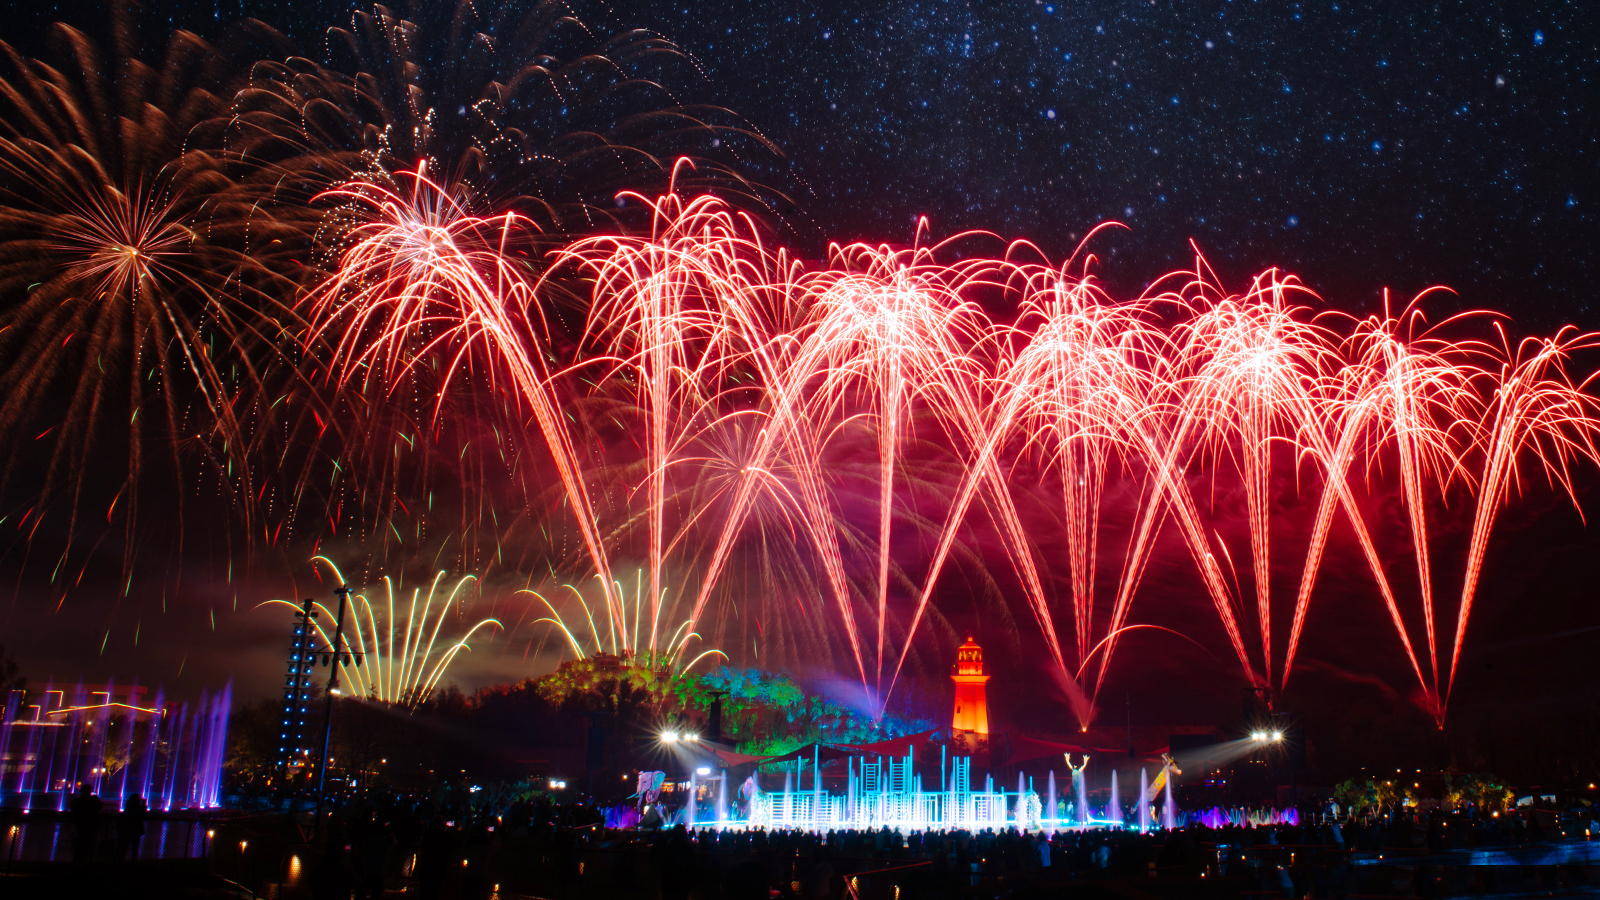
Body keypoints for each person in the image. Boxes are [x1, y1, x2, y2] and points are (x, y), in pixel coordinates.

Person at [69, 783, 104, 864]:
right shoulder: (93, 801)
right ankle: (87, 865)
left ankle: (76, 865)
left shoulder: (77, 801)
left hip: (80, 826)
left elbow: (73, 810)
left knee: (79, 848)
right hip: (91, 827)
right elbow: (99, 807)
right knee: (90, 847)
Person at [117, 793, 149, 861]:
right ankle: (133, 863)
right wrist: (144, 806)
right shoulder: (138, 808)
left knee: (124, 848)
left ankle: (120, 861)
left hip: (126, 830)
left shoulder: (128, 808)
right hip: (136, 830)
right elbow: (144, 816)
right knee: (134, 849)